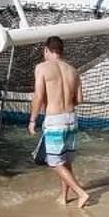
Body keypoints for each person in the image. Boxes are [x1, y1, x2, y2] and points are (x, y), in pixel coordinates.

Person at [30, 34, 88, 207]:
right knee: (66, 161)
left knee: (53, 161)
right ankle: (63, 197)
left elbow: (39, 96)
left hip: (55, 120)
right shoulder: (73, 70)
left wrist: (33, 120)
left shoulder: (42, 67)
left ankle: (81, 193)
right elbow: (80, 99)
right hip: (71, 118)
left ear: (47, 50)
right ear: (61, 51)